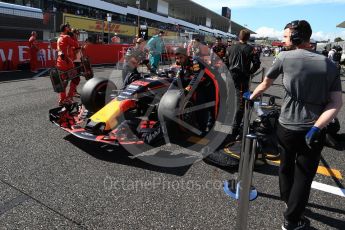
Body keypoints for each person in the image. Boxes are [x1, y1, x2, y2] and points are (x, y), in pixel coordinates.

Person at [249, 20, 342, 230]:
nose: (283, 41)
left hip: (286, 127)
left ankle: (287, 202)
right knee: (304, 175)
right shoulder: (329, 64)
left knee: (286, 166)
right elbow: (336, 102)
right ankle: (292, 218)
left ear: (297, 37)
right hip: (313, 129)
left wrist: (251, 96)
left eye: (285, 36)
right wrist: (317, 127)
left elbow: (264, 84)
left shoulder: (283, 57)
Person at [226, 29, 261, 141]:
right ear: (248, 37)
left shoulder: (230, 48)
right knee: (240, 103)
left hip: (231, 77)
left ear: (238, 36)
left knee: (232, 100)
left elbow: (225, 63)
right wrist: (250, 73)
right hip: (242, 79)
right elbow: (257, 63)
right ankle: (235, 129)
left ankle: (232, 126)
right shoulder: (251, 49)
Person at [174, 47, 215, 133]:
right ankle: (202, 127)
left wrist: (187, 88)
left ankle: (209, 127)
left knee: (209, 107)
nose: (179, 60)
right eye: (177, 58)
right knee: (199, 106)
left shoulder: (195, 61)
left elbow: (198, 77)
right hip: (199, 86)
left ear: (186, 56)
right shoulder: (182, 64)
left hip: (208, 85)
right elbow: (182, 77)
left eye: (181, 57)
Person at [56, 23, 80, 106]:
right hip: (67, 63)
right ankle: (69, 97)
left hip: (60, 62)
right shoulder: (67, 37)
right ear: (66, 28)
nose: (70, 28)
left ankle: (62, 100)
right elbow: (76, 45)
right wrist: (74, 36)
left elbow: (66, 48)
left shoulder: (60, 37)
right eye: (68, 27)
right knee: (76, 79)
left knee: (63, 82)